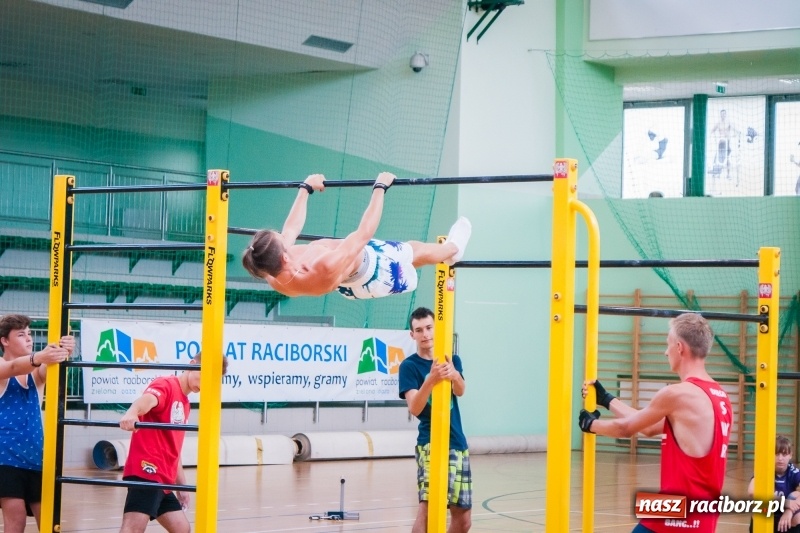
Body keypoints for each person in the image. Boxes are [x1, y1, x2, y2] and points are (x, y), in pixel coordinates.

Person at [578, 313, 732, 533]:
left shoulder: (678, 394)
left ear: (679, 347)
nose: (665, 352)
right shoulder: (720, 396)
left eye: (667, 344)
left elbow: (625, 429)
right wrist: (607, 399)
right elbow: (648, 427)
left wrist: (589, 424)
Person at [242, 172, 472, 300]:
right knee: (416, 251)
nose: (284, 236)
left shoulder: (273, 272)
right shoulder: (322, 265)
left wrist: (305, 188)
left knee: (414, 253)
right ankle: (453, 249)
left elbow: (291, 229)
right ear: (284, 256)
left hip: (352, 278)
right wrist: (380, 188)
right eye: (280, 238)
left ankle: (445, 254)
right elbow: (364, 233)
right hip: (374, 271)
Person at [118, 352, 229, 533]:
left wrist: (181, 486)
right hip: (147, 471)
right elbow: (147, 400)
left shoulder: (185, 404)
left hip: (164, 479)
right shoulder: (166, 385)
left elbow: (173, 449)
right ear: (192, 364)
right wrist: (133, 412)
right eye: (204, 375)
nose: (204, 384)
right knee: (133, 528)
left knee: (182, 528)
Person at [399, 307, 471, 533]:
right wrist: (430, 380)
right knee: (428, 511)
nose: (425, 334)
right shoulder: (409, 366)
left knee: (463, 520)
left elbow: (460, 391)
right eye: (419, 330)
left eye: (429, 328)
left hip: (457, 442)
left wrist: (454, 374)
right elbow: (414, 407)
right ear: (412, 334)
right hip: (431, 443)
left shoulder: (452, 359)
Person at [0, 314, 73, 533]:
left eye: (30, 334)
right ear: (4, 340)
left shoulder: (35, 372)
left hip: (36, 458)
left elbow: (48, 367)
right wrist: (41, 356)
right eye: (21, 335)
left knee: (49, 521)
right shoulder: (4, 365)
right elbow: (13, 367)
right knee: (16, 520)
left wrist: (64, 348)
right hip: (5, 459)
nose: (29, 339)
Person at [747, 435, 800, 533]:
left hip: (786, 517)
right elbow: (752, 491)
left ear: (790, 455)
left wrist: (789, 511)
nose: (780, 458)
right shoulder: (765, 469)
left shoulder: (794, 472)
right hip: (768, 512)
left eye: (784, 454)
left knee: (796, 498)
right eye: (776, 454)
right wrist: (785, 503)